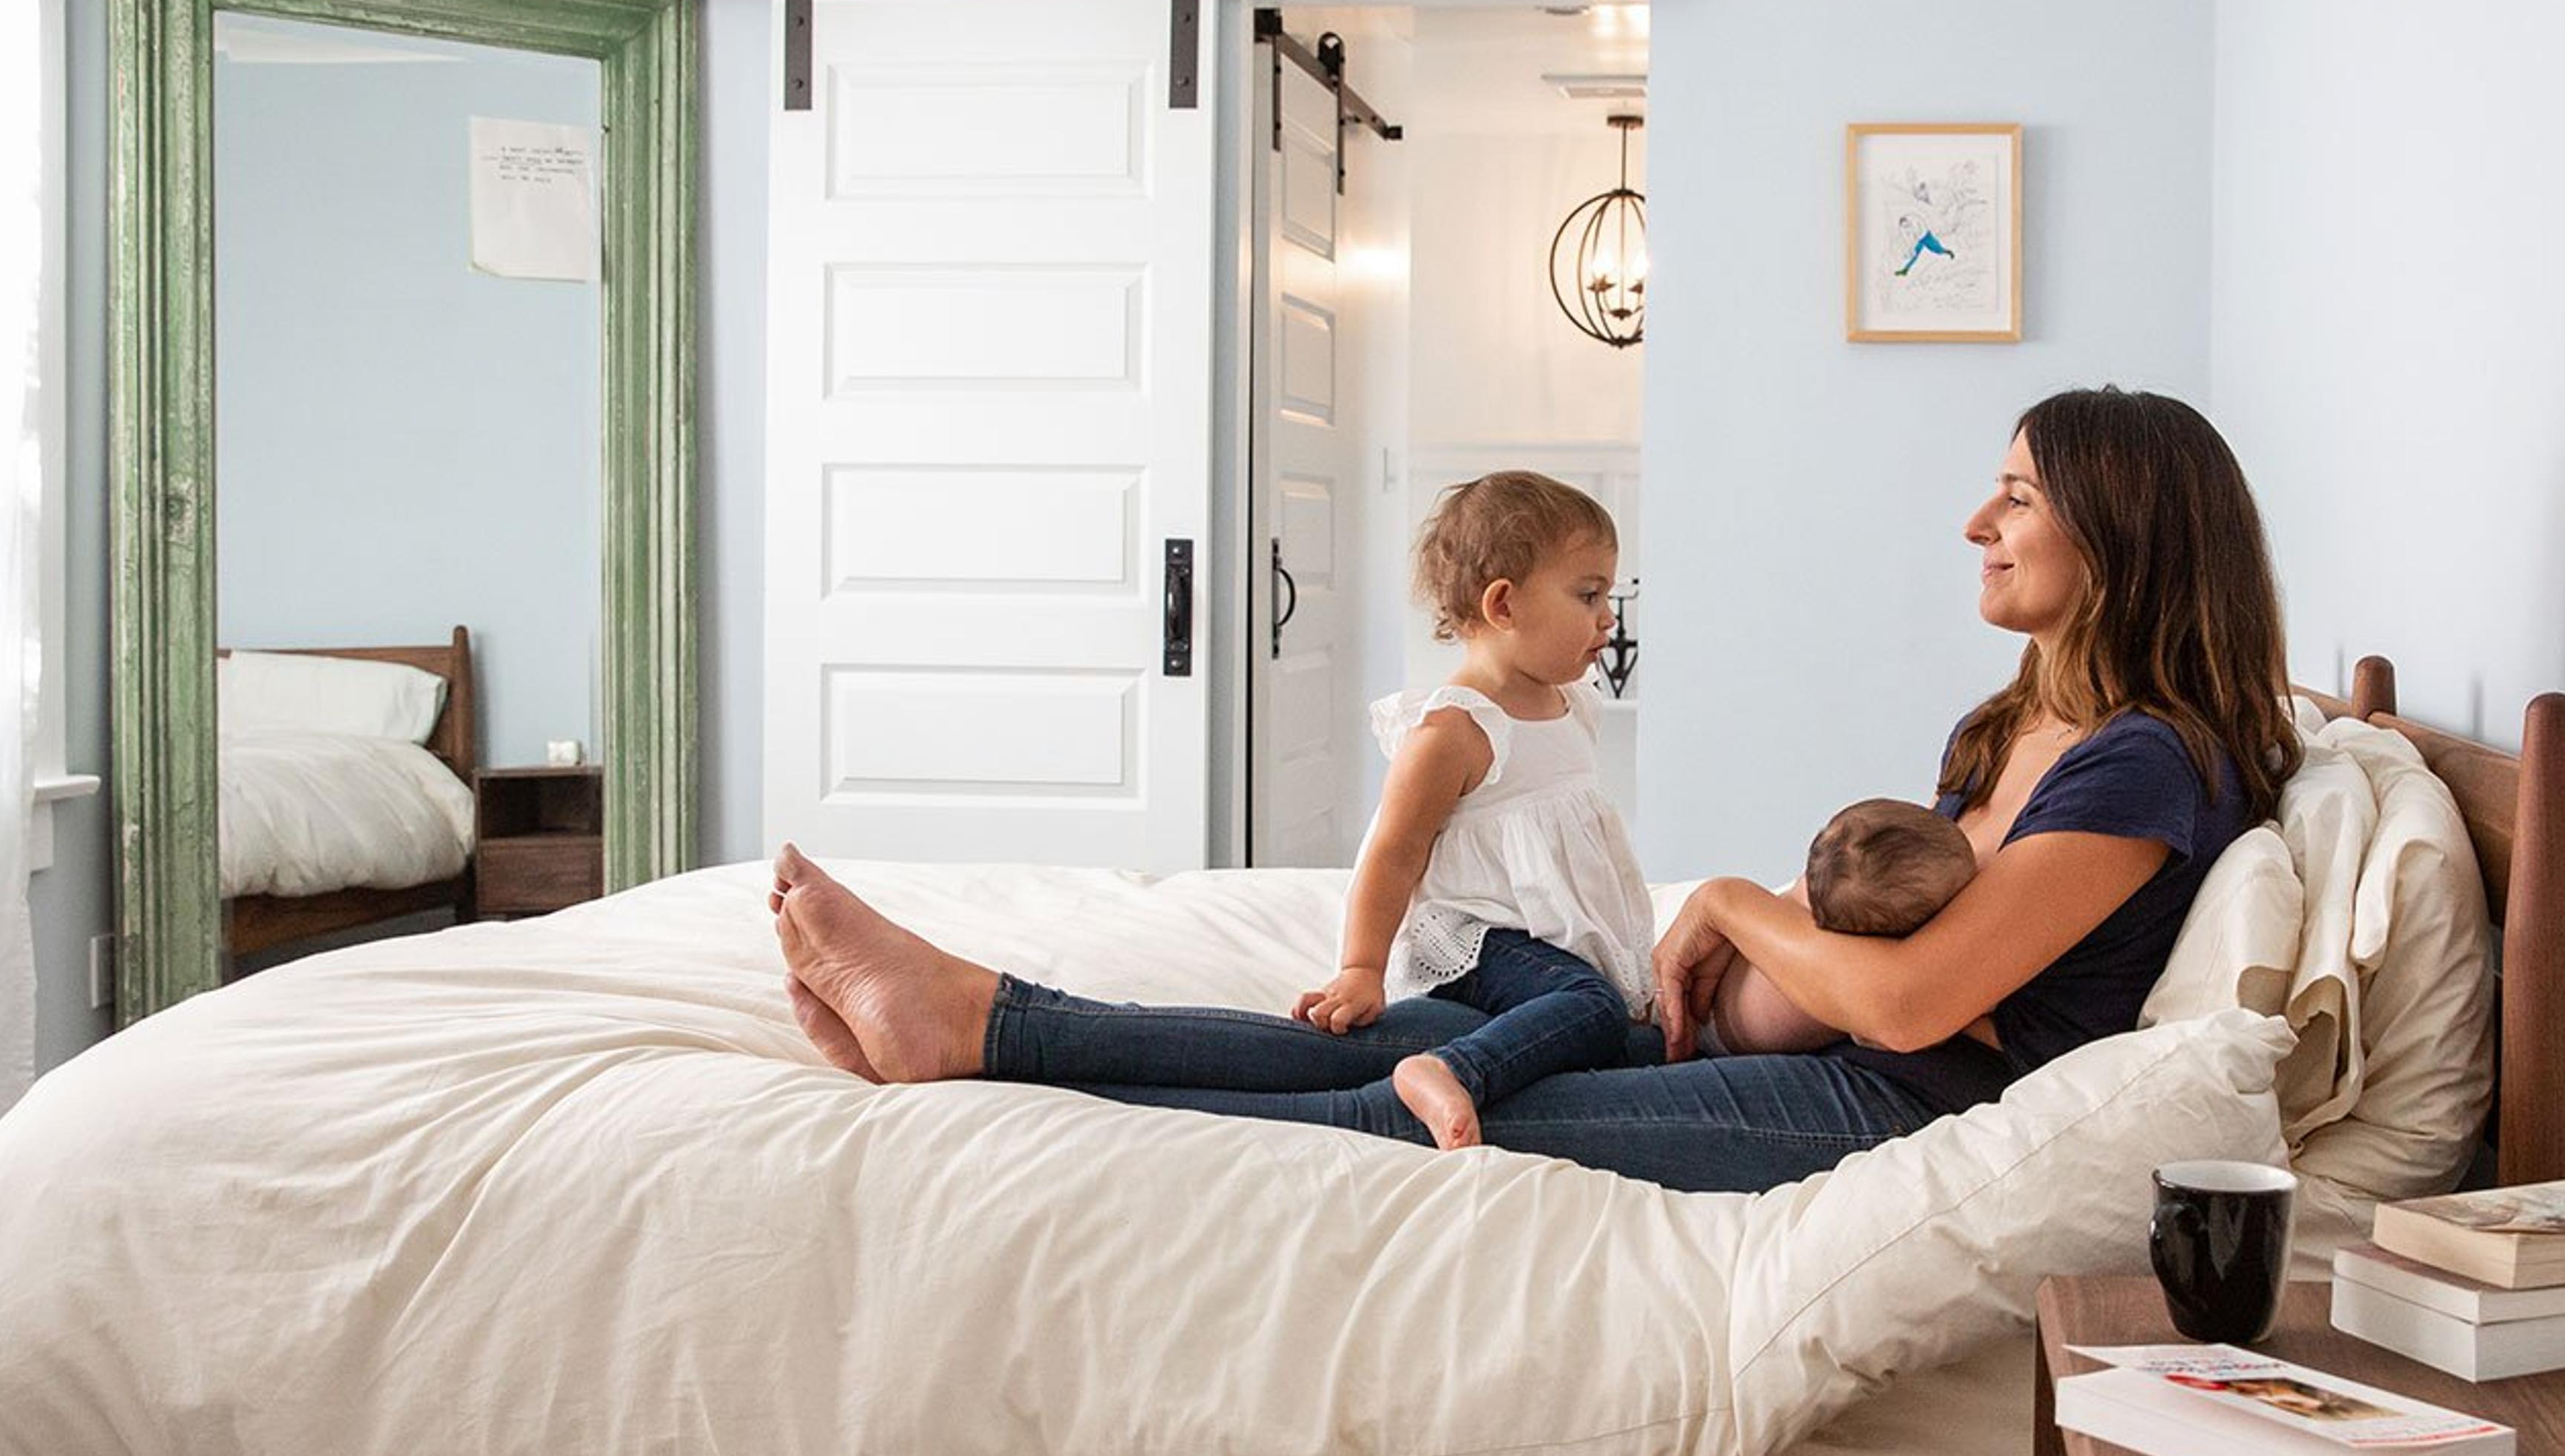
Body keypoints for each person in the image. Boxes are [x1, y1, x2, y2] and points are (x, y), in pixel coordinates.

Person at [772, 385, 2301, 1197]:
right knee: (1402, 1043)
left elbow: (1911, 1008)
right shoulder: (2020, 722)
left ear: (2122, 532)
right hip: (1803, 1042)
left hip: (1884, 1104)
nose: (1978, 519)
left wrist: (1731, 905)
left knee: (1396, 1115)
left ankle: (984, 1055)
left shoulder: (2145, 762)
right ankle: (984, 1016)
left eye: (2017, 495)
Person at [1294, 472, 1651, 1153]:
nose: (1608, 617)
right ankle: (1449, 1069)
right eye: (1589, 595)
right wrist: (1361, 967)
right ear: (1504, 604)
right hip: (1477, 940)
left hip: (1542, 943)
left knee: (1627, 1034)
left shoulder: (1573, 705)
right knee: (1590, 1006)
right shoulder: (1455, 729)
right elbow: (1392, 856)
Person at [1706, 798, 1977, 1057]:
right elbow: (1878, 1034)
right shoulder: (1854, 974)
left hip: (1711, 975)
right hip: (1715, 1030)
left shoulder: (1810, 890)